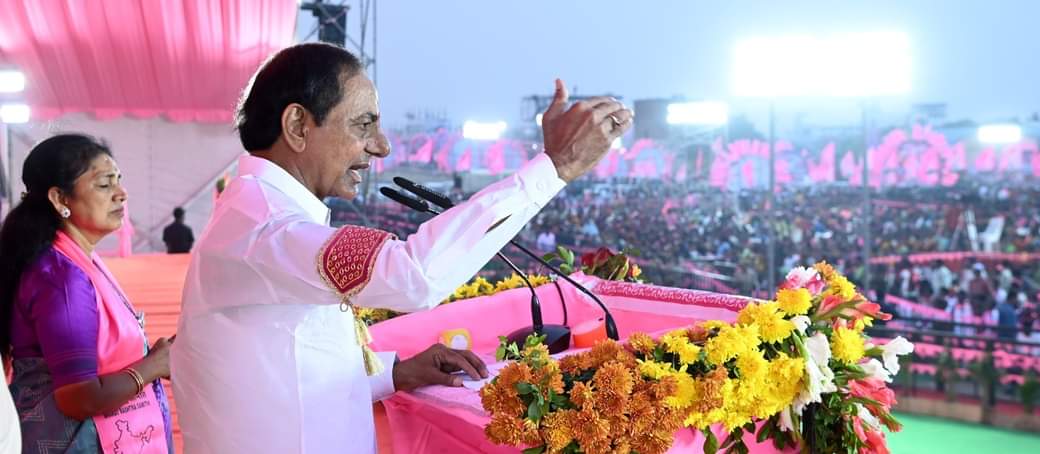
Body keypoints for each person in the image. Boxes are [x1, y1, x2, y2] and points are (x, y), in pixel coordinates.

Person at [170, 43, 631, 453]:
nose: (382, 146)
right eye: (364, 123)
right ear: (297, 125)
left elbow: (290, 366)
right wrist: (555, 168)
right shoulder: (265, 227)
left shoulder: (259, 215)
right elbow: (414, 275)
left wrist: (396, 372)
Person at [0, 134, 173, 453]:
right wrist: (154, 365)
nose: (122, 194)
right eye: (105, 185)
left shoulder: (75, 260)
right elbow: (79, 397)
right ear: (60, 199)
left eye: (119, 181)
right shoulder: (60, 278)